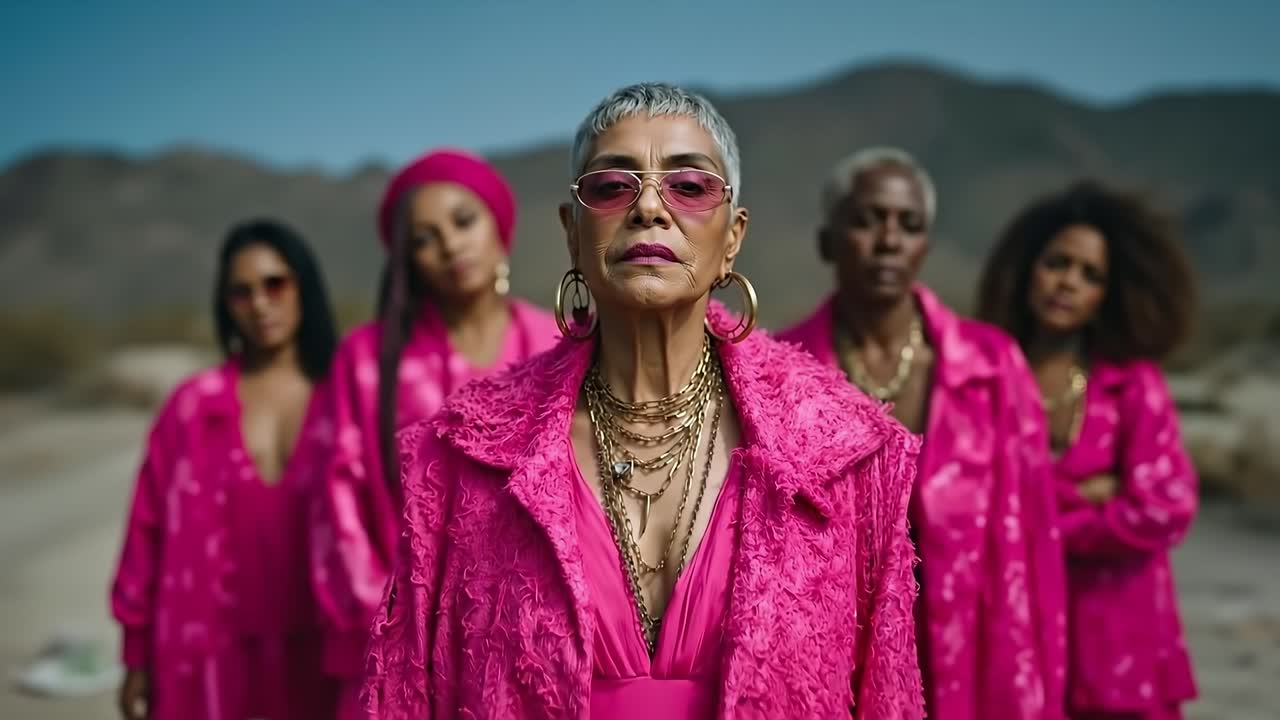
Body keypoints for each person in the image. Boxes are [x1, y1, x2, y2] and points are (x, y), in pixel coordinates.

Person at [362, 83, 925, 719]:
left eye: (689, 186)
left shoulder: (846, 452)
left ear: (732, 236)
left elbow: (888, 695)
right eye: (611, 187)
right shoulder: (464, 457)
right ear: (573, 233)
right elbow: (403, 698)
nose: (649, 207)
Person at [780, 147, 1067, 720]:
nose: (889, 240)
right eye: (866, 220)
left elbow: (1037, 539)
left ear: (925, 247)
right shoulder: (783, 371)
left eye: (909, 225)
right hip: (840, 656)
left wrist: (1045, 685)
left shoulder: (991, 366)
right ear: (827, 242)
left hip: (977, 651)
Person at [312, 149, 560, 717]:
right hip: (397, 647)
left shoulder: (556, 345)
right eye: (425, 238)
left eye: (463, 221)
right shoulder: (368, 360)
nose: (450, 244)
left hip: (535, 645)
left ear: (500, 227)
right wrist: (391, 624)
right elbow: (337, 502)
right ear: (408, 260)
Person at [977, 181, 1198, 720]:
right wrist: (1090, 497)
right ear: (1028, 269)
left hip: (1122, 651)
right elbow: (968, 500)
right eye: (1058, 263)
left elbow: (1163, 508)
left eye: (1090, 274)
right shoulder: (983, 378)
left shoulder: (1133, 387)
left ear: (1108, 295)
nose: (1068, 283)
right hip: (1017, 641)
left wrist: (1035, 521)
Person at [111, 219, 339, 719]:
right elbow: (144, 535)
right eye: (241, 292)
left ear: (304, 284)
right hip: (209, 655)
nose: (260, 303)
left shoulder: (349, 399)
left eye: (275, 284)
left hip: (326, 654)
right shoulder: (191, 408)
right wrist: (135, 656)